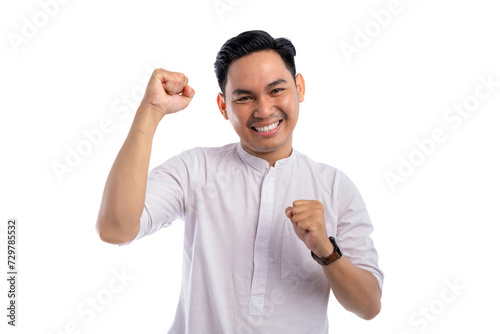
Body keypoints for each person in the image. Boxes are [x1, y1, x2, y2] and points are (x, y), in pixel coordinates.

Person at [96, 30, 383, 333]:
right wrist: (151, 111)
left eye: (276, 90)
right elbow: (115, 229)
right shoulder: (196, 170)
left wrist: (325, 250)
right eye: (244, 97)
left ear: (299, 87)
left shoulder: (336, 188)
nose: (264, 109)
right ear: (223, 107)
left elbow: (369, 306)